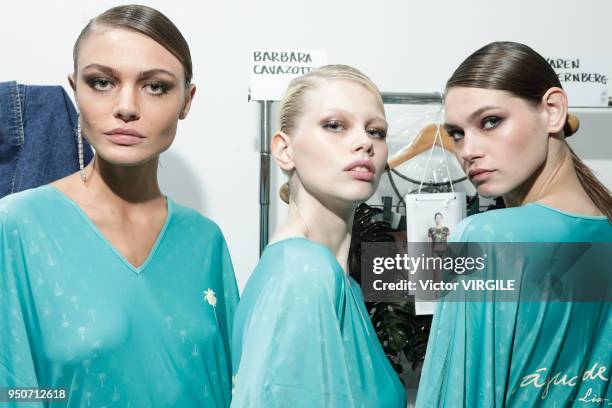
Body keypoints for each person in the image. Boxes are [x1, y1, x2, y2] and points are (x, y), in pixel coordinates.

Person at [0, 5, 238, 407]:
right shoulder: (18, 227)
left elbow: (227, 384)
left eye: (156, 86)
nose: (126, 106)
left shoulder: (205, 240)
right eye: (102, 82)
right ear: (75, 89)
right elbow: (14, 390)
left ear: (187, 100)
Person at [416, 41, 612, 406]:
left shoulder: (488, 238)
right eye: (457, 133)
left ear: (552, 111)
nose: (468, 150)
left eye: (491, 121)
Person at [231, 65, 407, 407]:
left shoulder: (336, 280)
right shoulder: (307, 273)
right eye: (334, 126)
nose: (364, 143)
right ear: (284, 150)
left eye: (376, 131)